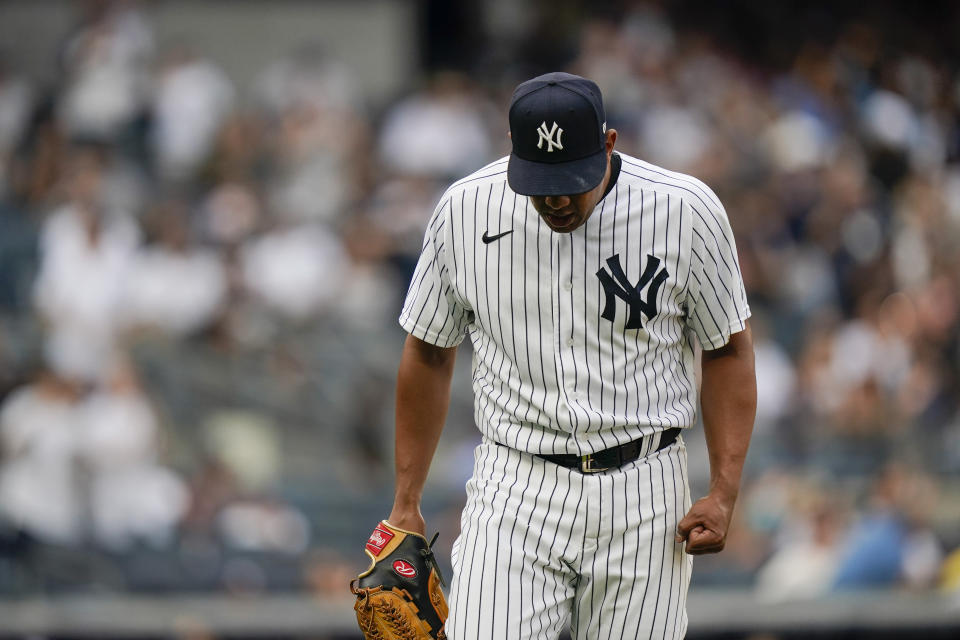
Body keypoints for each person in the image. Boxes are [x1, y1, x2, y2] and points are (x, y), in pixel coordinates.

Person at [386, 72, 756, 639]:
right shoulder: (464, 210)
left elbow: (727, 347)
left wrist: (724, 488)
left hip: (645, 486)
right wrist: (404, 502)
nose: (556, 198)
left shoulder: (684, 210)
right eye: (539, 181)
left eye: (570, 180)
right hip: (516, 481)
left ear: (608, 145)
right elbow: (429, 351)